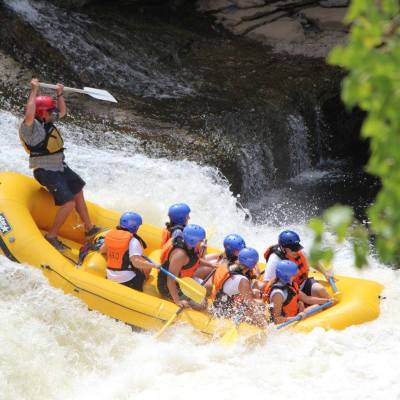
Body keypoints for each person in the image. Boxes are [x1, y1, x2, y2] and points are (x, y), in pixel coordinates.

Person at [19, 78, 100, 251]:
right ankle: (51, 235)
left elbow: (62, 112)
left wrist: (60, 93)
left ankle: (89, 228)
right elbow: (29, 113)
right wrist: (33, 90)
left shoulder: (47, 120)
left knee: (78, 190)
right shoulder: (30, 128)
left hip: (59, 167)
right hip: (45, 171)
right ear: (42, 113)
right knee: (69, 202)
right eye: (50, 111)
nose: (54, 114)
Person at [263, 230, 330, 302]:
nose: (296, 251)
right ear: (283, 248)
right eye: (293, 249)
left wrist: (325, 273)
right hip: (288, 290)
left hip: (302, 283)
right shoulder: (274, 260)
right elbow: (267, 284)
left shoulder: (299, 252)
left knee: (321, 290)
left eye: (297, 248)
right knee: (301, 302)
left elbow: (313, 262)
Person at [157, 223, 212, 308]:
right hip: (168, 287)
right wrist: (177, 301)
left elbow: (194, 260)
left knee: (206, 290)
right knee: (202, 304)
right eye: (201, 240)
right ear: (193, 241)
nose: (203, 242)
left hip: (182, 280)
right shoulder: (180, 255)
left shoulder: (189, 246)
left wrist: (211, 265)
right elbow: (170, 280)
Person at [210, 247, 266, 327]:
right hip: (223, 313)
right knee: (259, 307)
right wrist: (266, 326)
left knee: (258, 298)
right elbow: (252, 306)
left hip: (218, 304)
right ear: (253, 265)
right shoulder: (242, 281)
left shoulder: (228, 265)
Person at [263, 260, 329, 324]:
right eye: (293, 275)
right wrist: (296, 318)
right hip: (288, 322)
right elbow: (276, 319)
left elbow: (307, 299)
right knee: (315, 307)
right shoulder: (278, 294)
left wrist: (327, 301)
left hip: (295, 315)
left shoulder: (291, 284)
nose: (296, 275)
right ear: (287, 276)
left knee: (302, 303)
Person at [100, 212, 154, 291]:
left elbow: (102, 250)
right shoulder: (134, 241)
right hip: (128, 281)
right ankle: (141, 286)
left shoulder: (110, 235)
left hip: (110, 276)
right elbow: (138, 263)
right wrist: (152, 266)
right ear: (135, 227)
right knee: (147, 265)